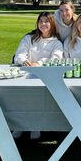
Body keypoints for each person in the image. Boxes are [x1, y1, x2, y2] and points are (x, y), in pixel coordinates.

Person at [13, 12, 63, 140]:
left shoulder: (56, 42)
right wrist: (24, 61)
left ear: (52, 24)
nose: (43, 24)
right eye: (40, 21)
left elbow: (56, 59)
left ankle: (36, 126)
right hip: (25, 74)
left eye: (46, 21)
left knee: (38, 99)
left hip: (44, 77)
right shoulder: (28, 38)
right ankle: (19, 126)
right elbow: (19, 54)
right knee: (21, 100)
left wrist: (39, 63)